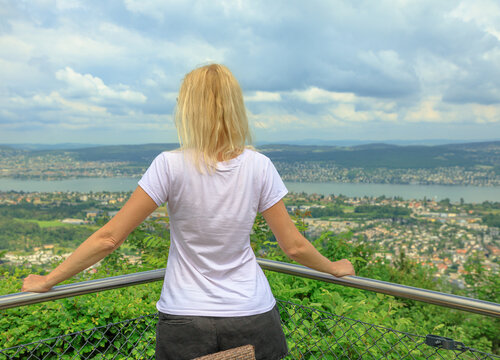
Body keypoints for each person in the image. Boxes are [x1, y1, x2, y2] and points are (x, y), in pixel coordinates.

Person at [21, 64, 355, 359]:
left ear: (190, 110)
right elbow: (293, 246)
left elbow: (109, 239)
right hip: (251, 313)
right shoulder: (260, 166)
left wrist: (48, 280)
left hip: (186, 318)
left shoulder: (169, 165)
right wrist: (334, 268)